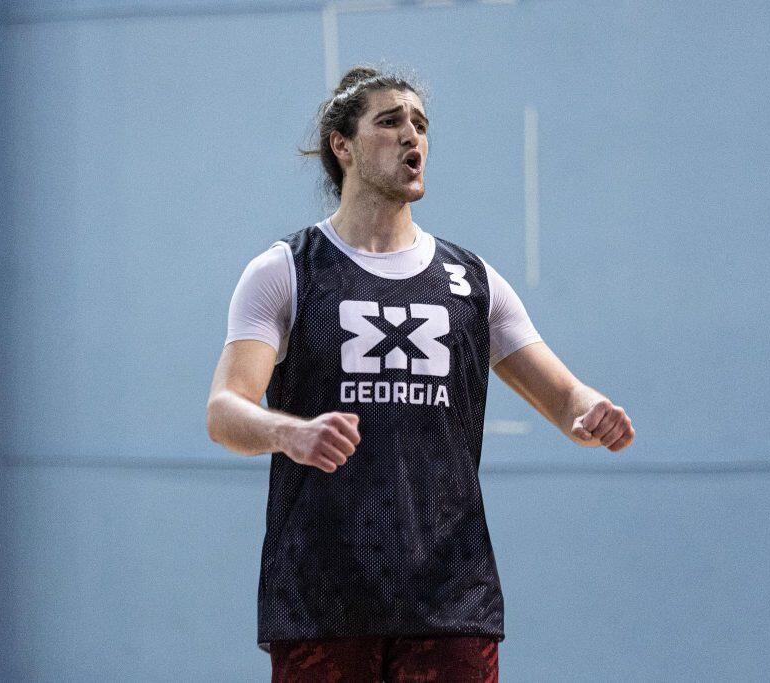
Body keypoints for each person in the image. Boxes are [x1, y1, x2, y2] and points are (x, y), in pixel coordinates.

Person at [205, 66, 634, 681]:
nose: (412, 136)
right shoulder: (286, 270)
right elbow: (224, 411)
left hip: (450, 600)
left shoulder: (471, 281)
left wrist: (590, 412)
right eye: (390, 122)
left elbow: (566, 398)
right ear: (342, 145)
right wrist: (289, 432)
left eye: (421, 125)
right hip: (322, 600)